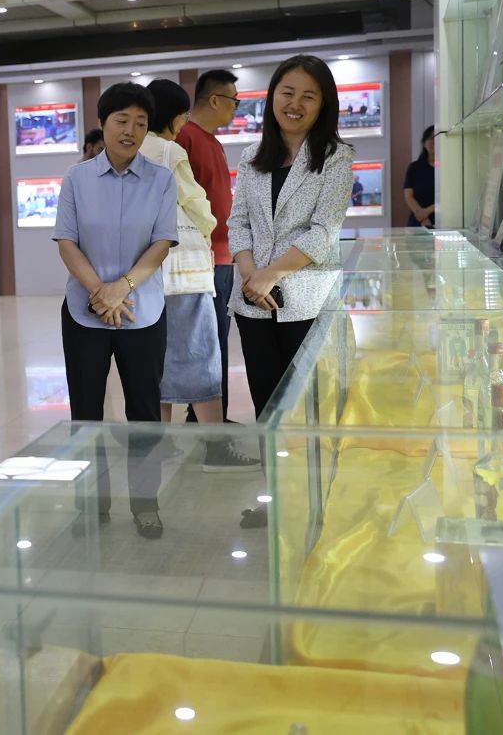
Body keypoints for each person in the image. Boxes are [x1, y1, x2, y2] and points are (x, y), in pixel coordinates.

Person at [227, 56, 353, 529]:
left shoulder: (336, 157)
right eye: (287, 92)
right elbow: (238, 223)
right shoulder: (252, 157)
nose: (295, 104)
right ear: (272, 97)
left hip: (308, 302)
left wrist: (272, 274)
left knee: (310, 409)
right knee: (267, 409)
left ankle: (317, 504)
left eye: (308, 95)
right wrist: (251, 275)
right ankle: (277, 499)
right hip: (254, 306)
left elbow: (324, 230)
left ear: (323, 104)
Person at [55, 83, 178, 539]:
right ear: (103, 123)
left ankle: (145, 503)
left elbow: (161, 243)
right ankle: (91, 505)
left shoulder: (161, 179)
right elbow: (67, 242)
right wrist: (99, 292)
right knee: (86, 414)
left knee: (144, 413)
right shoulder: (77, 178)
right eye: (122, 121)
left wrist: (120, 288)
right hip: (84, 310)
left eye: (140, 123)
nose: (131, 131)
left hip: (142, 311)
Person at [140, 80, 228, 432]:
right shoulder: (169, 152)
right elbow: (195, 202)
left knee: (155, 365)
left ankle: (158, 447)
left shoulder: (130, 150)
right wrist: (210, 227)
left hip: (146, 272)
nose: (184, 122)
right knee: (200, 355)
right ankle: (215, 444)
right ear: (173, 116)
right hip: (184, 270)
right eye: (182, 115)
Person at [177, 69, 240, 424]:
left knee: (217, 340)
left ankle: (209, 418)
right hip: (204, 260)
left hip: (223, 258)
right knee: (208, 343)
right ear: (215, 100)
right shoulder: (186, 137)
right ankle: (209, 422)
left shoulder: (213, 142)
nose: (236, 109)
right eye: (234, 101)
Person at [404, 125, 437, 228]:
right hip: (418, 221)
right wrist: (422, 216)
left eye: (436, 137)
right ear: (424, 143)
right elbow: (409, 196)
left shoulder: (448, 167)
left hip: (443, 220)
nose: (433, 141)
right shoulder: (414, 167)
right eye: (430, 138)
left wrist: (426, 212)